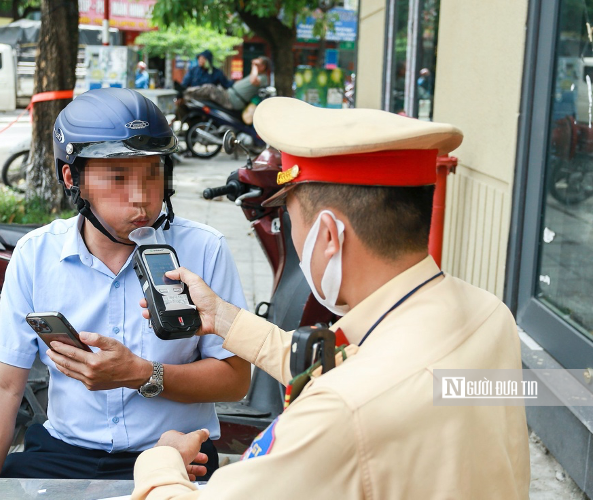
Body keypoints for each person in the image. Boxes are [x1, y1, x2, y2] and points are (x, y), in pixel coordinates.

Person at [131, 99, 531, 498]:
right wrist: (223, 318)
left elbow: (358, 388)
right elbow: (360, 365)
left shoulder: (342, 411)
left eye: (294, 224)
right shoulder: (489, 315)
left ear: (327, 236)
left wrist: (161, 458)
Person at [0, 88, 251, 481]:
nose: (140, 200)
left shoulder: (204, 249)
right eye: (118, 177)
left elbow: (235, 378)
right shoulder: (36, 255)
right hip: (64, 453)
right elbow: (0, 386)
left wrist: (141, 373)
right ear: (72, 178)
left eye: (153, 174)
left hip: (176, 453)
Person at [183, 57, 270, 111]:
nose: (254, 65)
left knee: (209, 88)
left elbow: (253, 80)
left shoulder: (263, 77)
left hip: (233, 99)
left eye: (258, 64)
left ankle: (184, 93)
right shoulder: (257, 75)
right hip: (230, 94)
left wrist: (254, 66)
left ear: (263, 66)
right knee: (208, 90)